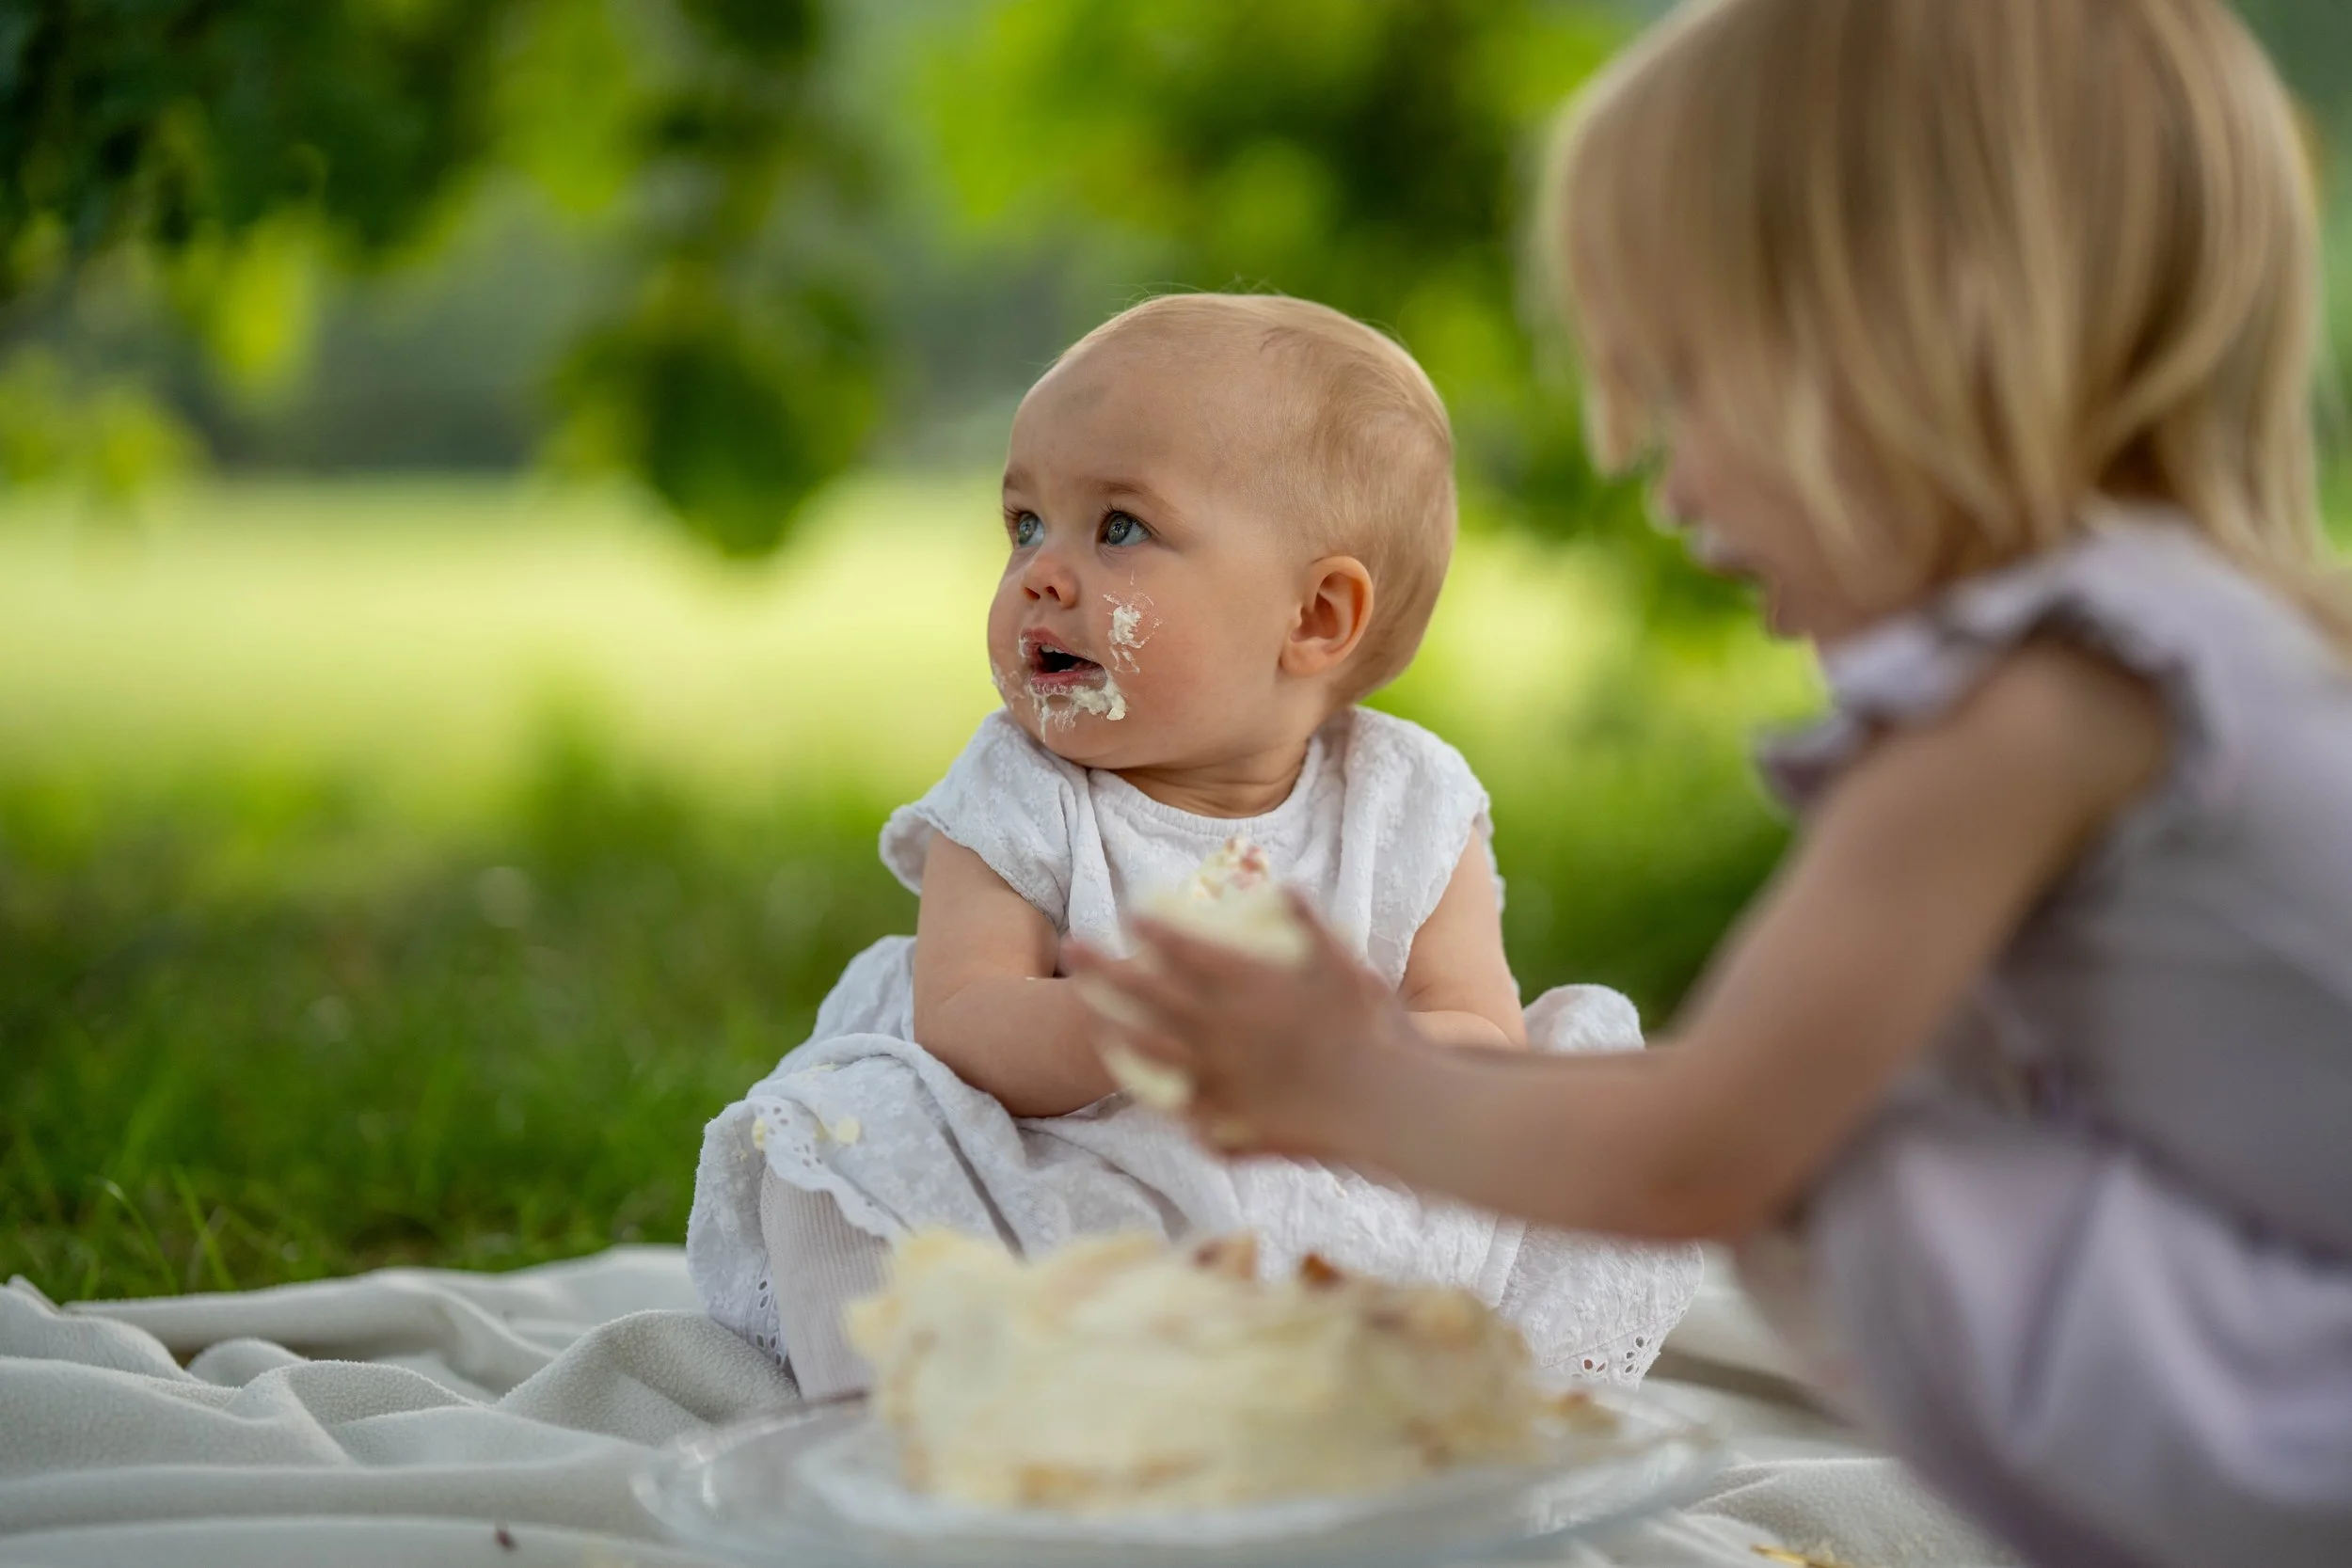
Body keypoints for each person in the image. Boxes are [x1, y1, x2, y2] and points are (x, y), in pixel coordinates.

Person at [1072, 4, 2352, 1564]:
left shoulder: (2032, 704)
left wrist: (1350, 1083)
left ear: (1897, 336)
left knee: (1863, 1162)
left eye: (1687, 384)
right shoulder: (2225, 636)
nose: (1668, 482)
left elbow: (1701, 1145)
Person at [685, 292, 1699, 1402]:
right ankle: (907, 1417)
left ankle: (1404, 1403)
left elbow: (1480, 1030)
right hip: (1068, 1200)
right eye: (1025, 523)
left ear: (1315, 616)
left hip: (1340, 1199)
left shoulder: (1406, 801)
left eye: (1118, 527)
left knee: (1591, 1114)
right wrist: (1131, 1026)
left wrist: (1341, 1054)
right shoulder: (1020, 789)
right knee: (842, 1131)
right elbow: (963, 1017)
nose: (1042, 573)